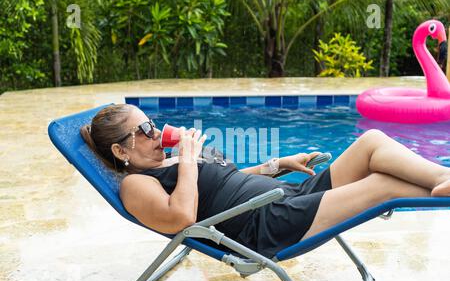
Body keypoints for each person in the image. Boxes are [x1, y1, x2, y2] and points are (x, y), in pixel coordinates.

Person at [80, 103, 450, 258]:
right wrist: (189, 160)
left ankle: (443, 178)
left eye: (153, 123)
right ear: (121, 151)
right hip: (264, 225)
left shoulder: (169, 161)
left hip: (283, 195)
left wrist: (277, 164)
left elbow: (228, 180)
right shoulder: (136, 184)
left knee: (370, 143)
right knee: (381, 187)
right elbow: (182, 217)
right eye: (145, 129)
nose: (157, 131)